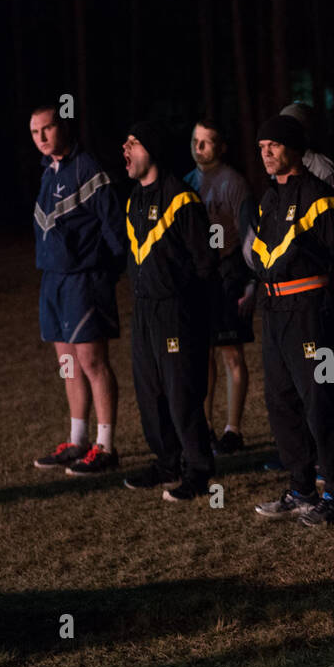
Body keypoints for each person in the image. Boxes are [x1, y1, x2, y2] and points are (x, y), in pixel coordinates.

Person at [248, 114, 334, 525]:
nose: (266, 154)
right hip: (275, 312)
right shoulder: (269, 198)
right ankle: (300, 487)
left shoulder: (321, 198)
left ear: (294, 149)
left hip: (311, 312)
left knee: (322, 403)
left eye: (273, 146)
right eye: (261, 148)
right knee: (281, 402)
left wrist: (332, 310)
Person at [120, 122, 217, 501]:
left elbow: (205, 263)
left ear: (152, 149)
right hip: (144, 310)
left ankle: (198, 470)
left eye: (132, 141)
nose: (124, 148)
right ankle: (166, 462)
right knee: (150, 392)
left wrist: (194, 311)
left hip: (177, 311)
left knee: (181, 393)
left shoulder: (182, 199)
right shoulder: (134, 199)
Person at [28, 103, 125, 476]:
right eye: (35, 132)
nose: (41, 138)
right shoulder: (47, 172)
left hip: (85, 279)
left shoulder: (87, 168)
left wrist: (105, 273)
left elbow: (114, 227)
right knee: (67, 362)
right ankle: (78, 439)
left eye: (47, 129)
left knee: (92, 362)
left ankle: (106, 446)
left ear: (63, 127)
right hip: (53, 279)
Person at [186, 119, 258, 455]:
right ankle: (205, 427)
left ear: (222, 147)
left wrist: (251, 280)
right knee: (202, 357)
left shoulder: (234, 183)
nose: (199, 147)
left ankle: (233, 429)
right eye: (196, 140)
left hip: (229, 275)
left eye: (207, 141)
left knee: (231, 353)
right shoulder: (187, 182)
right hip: (199, 279)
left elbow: (248, 234)